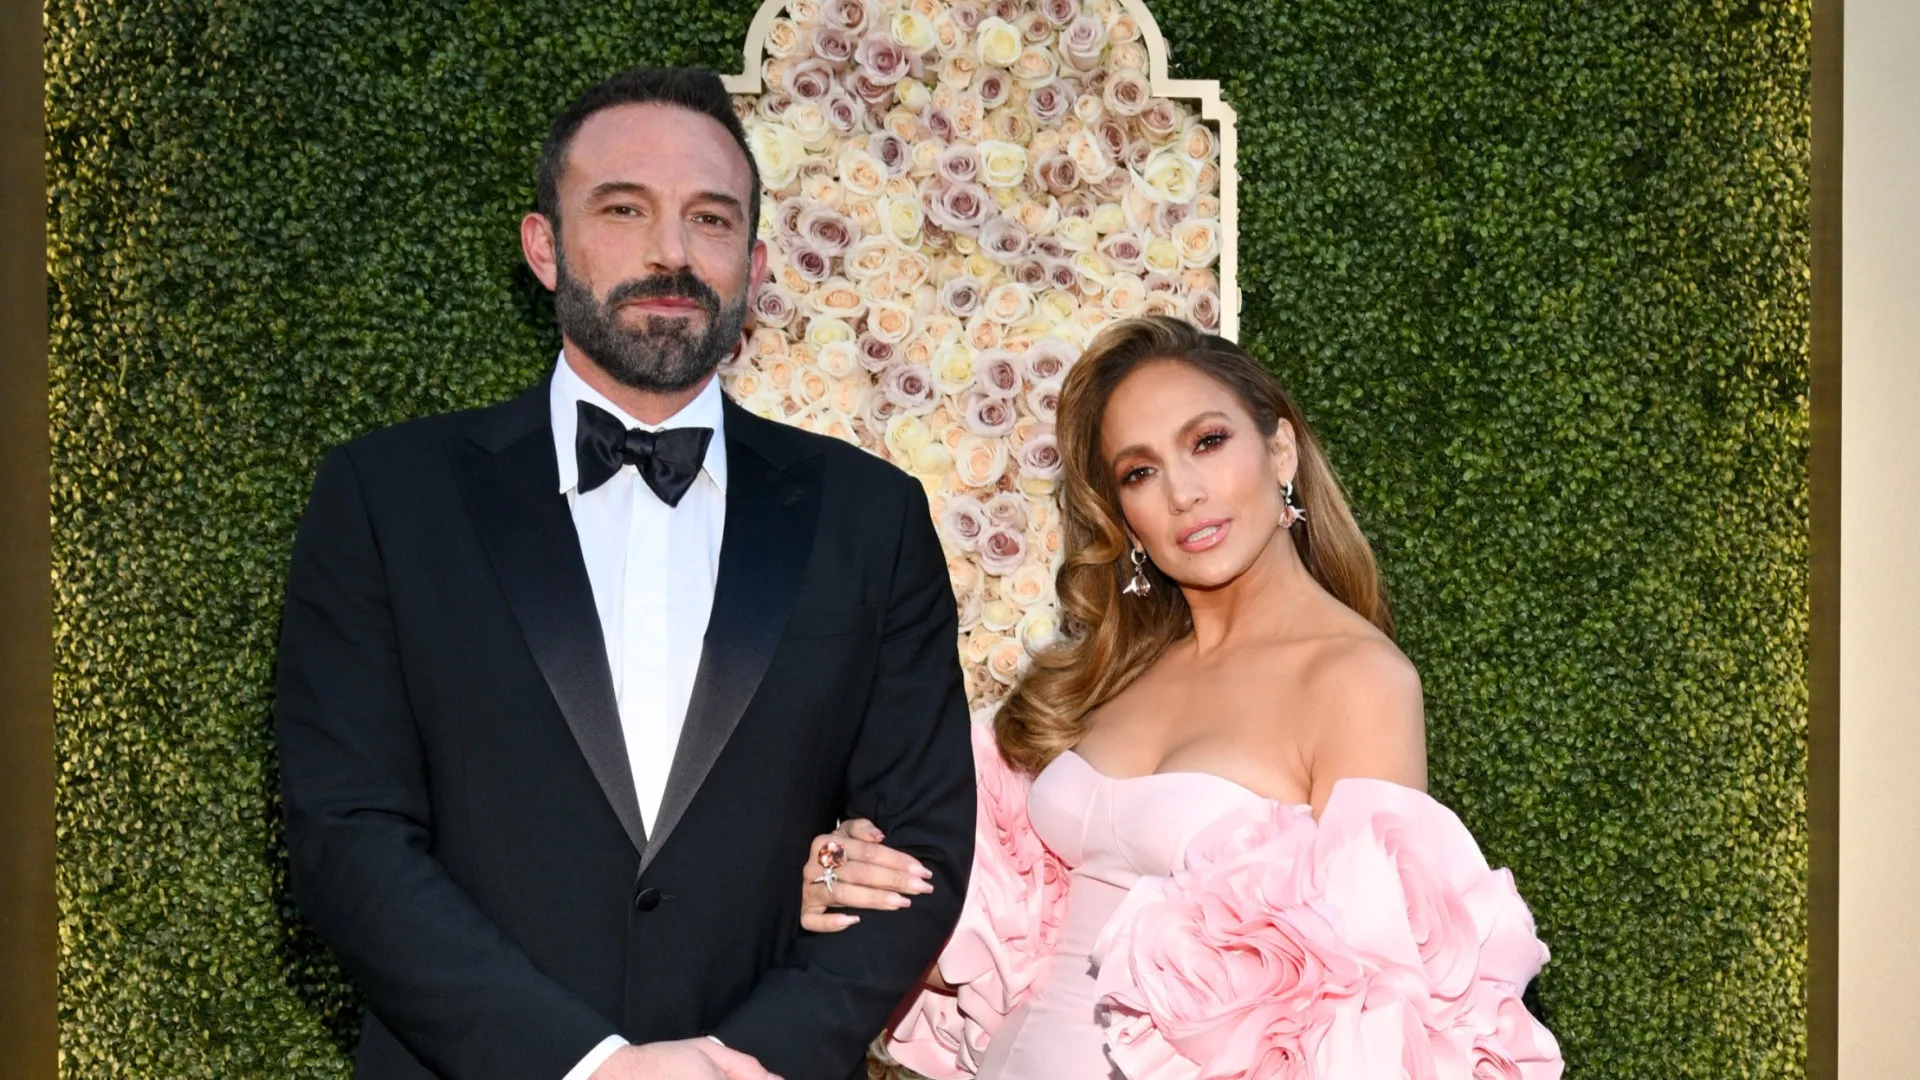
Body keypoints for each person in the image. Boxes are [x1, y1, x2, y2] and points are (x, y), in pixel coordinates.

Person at [274, 67, 975, 1080]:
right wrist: (588, 1066)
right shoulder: (387, 498)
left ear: (754, 265)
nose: (671, 253)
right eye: (623, 209)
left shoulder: (872, 515)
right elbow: (348, 838)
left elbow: (917, 850)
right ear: (543, 247)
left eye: (711, 219)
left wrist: (742, 1059)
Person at [800, 316, 1563, 1079]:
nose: (1184, 493)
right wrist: (851, 882)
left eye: (1207, 442)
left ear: (1281, 451)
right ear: (1123, 517)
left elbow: (1372, 1014)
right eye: (1140, 472)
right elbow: (984, 955)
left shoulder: (1357, 680)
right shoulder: (1107, 674)